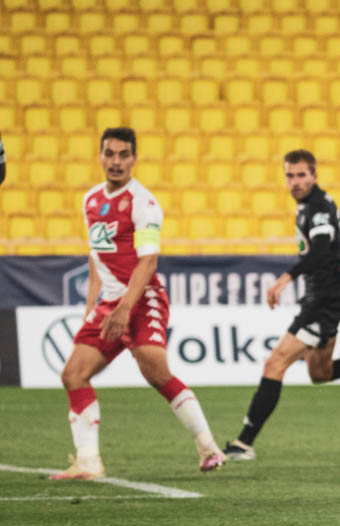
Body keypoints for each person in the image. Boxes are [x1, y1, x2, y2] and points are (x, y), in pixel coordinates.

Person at [51, 127, 226, 479]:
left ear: (134, 158)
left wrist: (125, 308)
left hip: (143, 299)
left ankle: (208, 447)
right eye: (109, 154)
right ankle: (88, 461)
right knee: (73, 375)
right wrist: (92, 308)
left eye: (123, 155)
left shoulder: (144, 203)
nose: (116, 162)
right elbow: (96, 257)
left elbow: (148, 262)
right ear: (100, 156)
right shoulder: (90, 200)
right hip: (110, 304)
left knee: (157, 374)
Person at [222, 150, 340, 461]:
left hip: (323, 300)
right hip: (326, 297)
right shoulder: (320, 203)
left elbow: (320, 250)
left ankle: (244, 443)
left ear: (314, 176)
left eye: (302, 175)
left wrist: (286, 277)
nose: (296, 182)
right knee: (321, 373)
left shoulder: (317, 207)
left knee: (275, 363)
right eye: (290, 176)